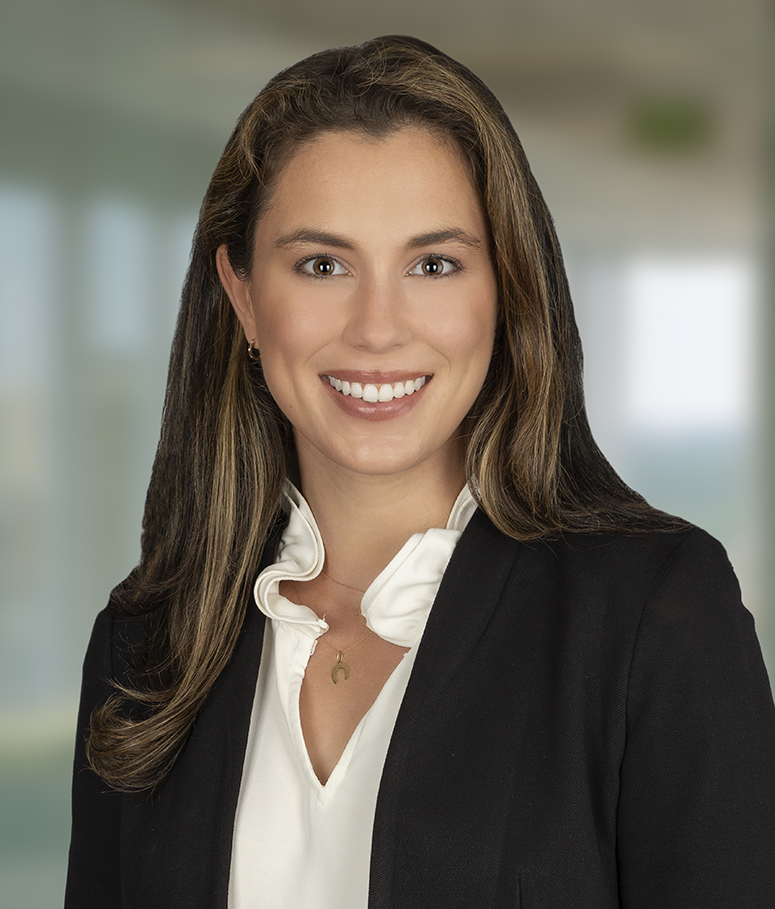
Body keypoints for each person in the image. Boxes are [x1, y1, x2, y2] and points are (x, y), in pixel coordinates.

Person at [64, 35, 775, 909]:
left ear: (505, 288)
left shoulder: (650, 617)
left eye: (431, 264)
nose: (377, 328)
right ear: (243, 295)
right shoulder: (144, 644)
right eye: (322, 265)